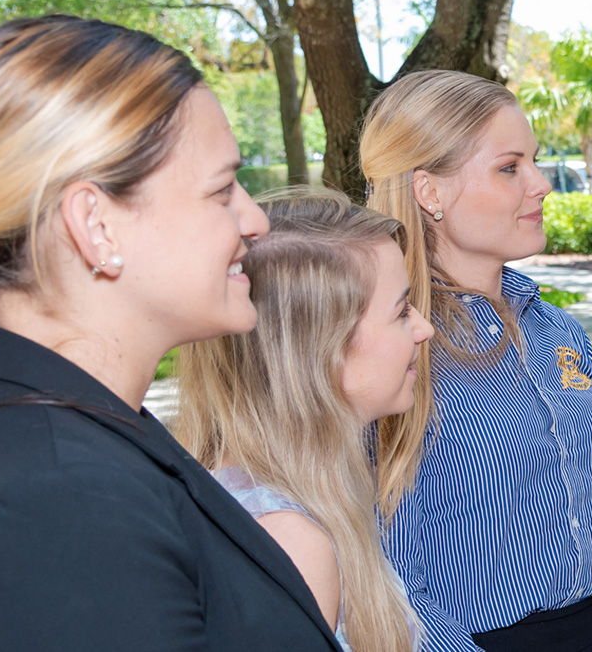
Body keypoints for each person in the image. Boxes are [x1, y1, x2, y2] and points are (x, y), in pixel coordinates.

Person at [0, 16, 338, 649]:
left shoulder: (78, 434)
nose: (255, 219)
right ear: (95, 225)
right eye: (222, 188)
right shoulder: (61, 498)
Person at [362, 69, 592, 652]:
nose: (541, 184)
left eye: (535, 161)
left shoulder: (559, 332)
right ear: (430, 192)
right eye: (509, 167)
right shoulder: (394, 349)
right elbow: (375, 563)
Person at [174, 189, 435, 652]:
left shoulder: (279, 497)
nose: (423, 328)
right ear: (321, 353)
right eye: (400, 311)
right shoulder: (290, 540)